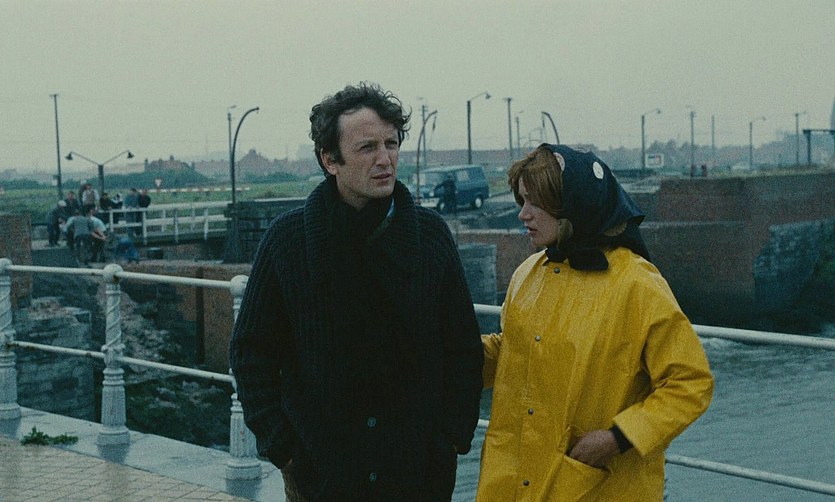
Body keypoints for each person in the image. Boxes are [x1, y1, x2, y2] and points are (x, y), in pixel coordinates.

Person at [229, 82, 484, 502]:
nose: (385, 159)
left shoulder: (431, 237)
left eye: (391, 143)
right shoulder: (287, 242)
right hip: (320, 478)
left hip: (420, 477)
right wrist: (284, 449)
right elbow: (251, 352)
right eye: (367, 147)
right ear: (330, 160)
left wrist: (451, 439)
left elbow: (463, 349)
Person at [477, 144, 714, 501]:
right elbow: (511, 349)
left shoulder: (637, 284)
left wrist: (618, 438)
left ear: (573, 204)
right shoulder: (527, 274)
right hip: (513, 481)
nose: (523, 214)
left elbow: (690, 382)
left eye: (535, 203)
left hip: (597, 488)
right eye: (521, 201)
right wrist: (447, 354)